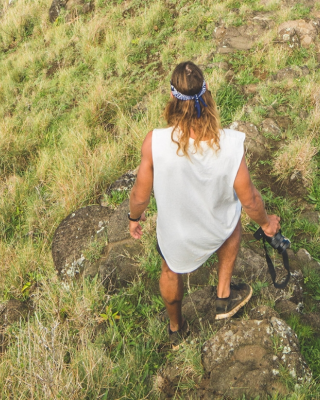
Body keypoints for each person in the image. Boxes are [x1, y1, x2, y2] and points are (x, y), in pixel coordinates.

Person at [128, 61, 280, 343]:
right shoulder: (231, 145)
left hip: (176, 237)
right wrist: (267, 223)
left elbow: (139, 195)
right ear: (207, 95)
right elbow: (250, 200)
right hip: (215, 229)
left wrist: (134, 219)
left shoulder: (155, 143)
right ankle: (224, 297)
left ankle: (176, 328)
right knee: (233, 220)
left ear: (173, 98)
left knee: (169, 270)